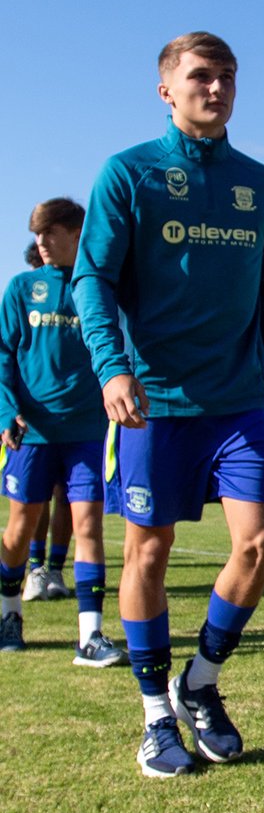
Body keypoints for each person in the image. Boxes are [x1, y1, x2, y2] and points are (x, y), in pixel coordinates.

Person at [72, 31, 264, 778]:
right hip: (154, 402)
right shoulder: (128, 173)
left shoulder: (261, 186)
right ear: (167, 89)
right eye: (201, 76)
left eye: (228, 76)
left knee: (257, 545)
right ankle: (154, 715)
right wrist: (113, 368)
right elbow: (93, 280)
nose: (217, 87)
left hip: (239, 401)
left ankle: (199, 680)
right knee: (149, 551)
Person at [0, 199, 122, 666]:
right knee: (17, 531)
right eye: (37, 235)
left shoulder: (99, 288)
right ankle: (10, 613)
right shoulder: (21, 287)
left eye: (50, 233)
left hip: (88, 433)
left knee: (89, 526)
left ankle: (90, 636)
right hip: (31, 435)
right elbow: (3, 357)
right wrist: (7, 410)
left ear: (76, 234)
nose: (41, 243)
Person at [18, 240, 75, 603]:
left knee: (66, 496)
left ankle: (54, 567)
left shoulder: (85, 289)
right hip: (33, 420)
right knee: (34, 499)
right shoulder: (23, 293)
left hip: (78, 419)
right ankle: (34, 567)